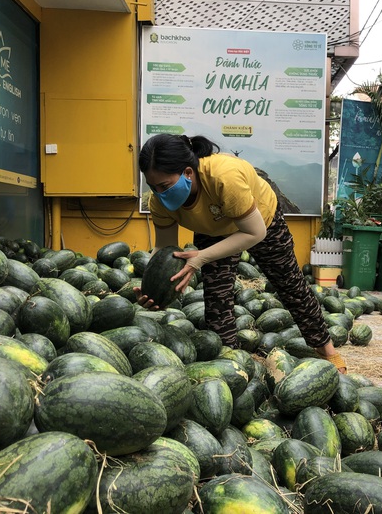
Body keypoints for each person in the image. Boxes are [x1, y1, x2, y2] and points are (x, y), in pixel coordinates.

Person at [135, 133, 347, 373]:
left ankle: (327, 349)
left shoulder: (224, 177)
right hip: (214, 229)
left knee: (290, 285)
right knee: (216, 300)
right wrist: (153, 290)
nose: (160, 193)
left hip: (260, 221)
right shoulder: (159, 201)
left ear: (188, 172)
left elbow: (255, 233)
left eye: (165, 186)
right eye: (153, 186)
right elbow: (165, 248)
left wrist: (202, 257)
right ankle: (233, 364)